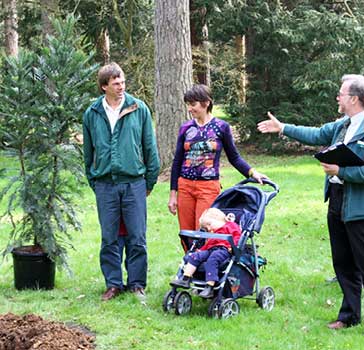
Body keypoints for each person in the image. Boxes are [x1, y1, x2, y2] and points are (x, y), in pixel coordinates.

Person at [257, 74, 364, 330]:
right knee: (343, 262)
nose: (337, 97)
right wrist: (283, 128)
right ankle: (348, 316)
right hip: (337, 201)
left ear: (354, 98)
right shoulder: (342, 125)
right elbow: (316, 134)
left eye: (341, 93)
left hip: (359, 207)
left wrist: (342, 171)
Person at [83, 62, 160, 301]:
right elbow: (88, 153)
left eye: (123, 82)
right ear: (104, 86)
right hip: (105, 184)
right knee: (109, 237)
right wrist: (95, 180)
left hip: (134, 183)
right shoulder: (92, 113)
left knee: (137, 236)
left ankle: (137, 284)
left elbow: (150, 147)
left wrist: (149, 181)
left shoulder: (139, 108)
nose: (121, 87)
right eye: (116, 83)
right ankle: (113, 284)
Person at [168, 84, 266, 251]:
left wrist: (252, 172)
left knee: (205, 232)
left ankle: (208, 271)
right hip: (185, 187)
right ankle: (190, 270)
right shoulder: (186, 128)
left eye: (193, 104)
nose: (190, 108)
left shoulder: (221, 127)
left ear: (206, 103)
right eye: (188, 104)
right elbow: (177, 162)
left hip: (208, 187)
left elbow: (234, 157)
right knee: (186, 234)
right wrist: (173, 195)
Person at [170, 208, 242, 298]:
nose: (208, 228)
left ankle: (209, 286)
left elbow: (237, 236)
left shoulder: (230, 226)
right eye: (206, 227)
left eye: (209, 224)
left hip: (224, 249)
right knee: (194, 256)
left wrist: (233, 246)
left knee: (213, 259)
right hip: (211, 249)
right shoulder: (213, 232)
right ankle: (185, 278)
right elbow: (209, 244)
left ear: (218, 218)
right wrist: (201, 250)